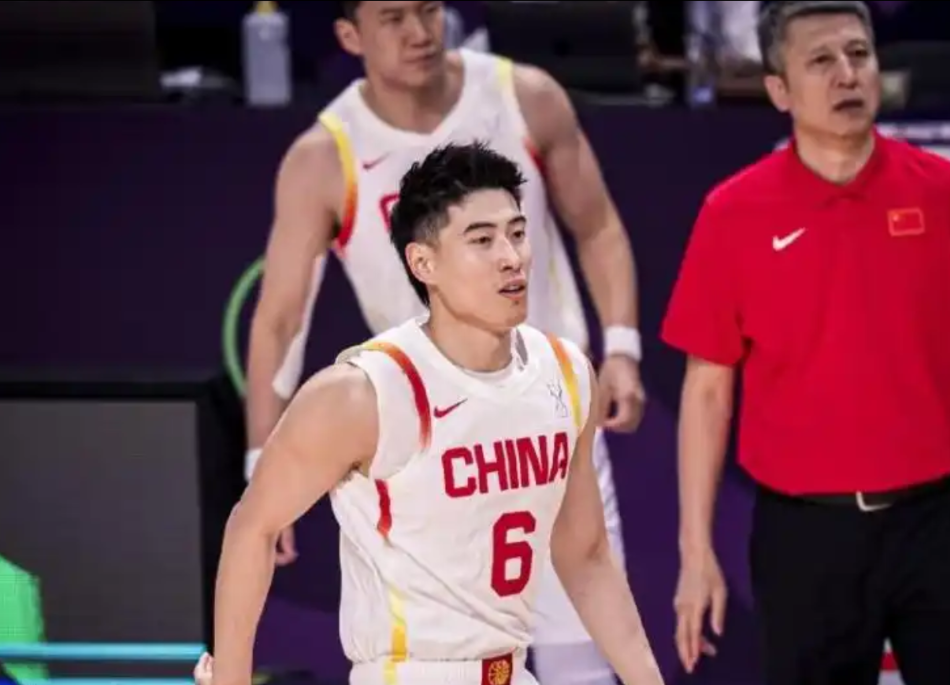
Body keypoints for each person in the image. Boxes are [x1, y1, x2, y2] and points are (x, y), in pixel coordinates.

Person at [243, 3, 645, 683]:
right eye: (393, 17)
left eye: (429, 8)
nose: (419, 31)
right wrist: (263, 460)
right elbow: (280, 319)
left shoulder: (524, 96)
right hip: (427, 434)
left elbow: (598, 224)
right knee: (452, 655)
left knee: (583, 647)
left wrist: (624, 345)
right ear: (349, 35)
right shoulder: (325, 155)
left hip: (549, 407)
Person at [661, 2, 950, 684]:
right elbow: (706, 389)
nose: (846, 75)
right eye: (820, 61)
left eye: (858, 54)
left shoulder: (949, 194)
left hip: (944, 524)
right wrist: (695, 553)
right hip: (806, 536)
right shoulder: (732, 212)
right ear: (779, 90)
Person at [194, 143, 663, 685]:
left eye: (517, 233)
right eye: (482, 240)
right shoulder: (364, 393)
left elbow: (586, 556)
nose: (511, 257)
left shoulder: (565, 372)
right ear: (423, 263)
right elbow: (252, 527)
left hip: (512, 672)